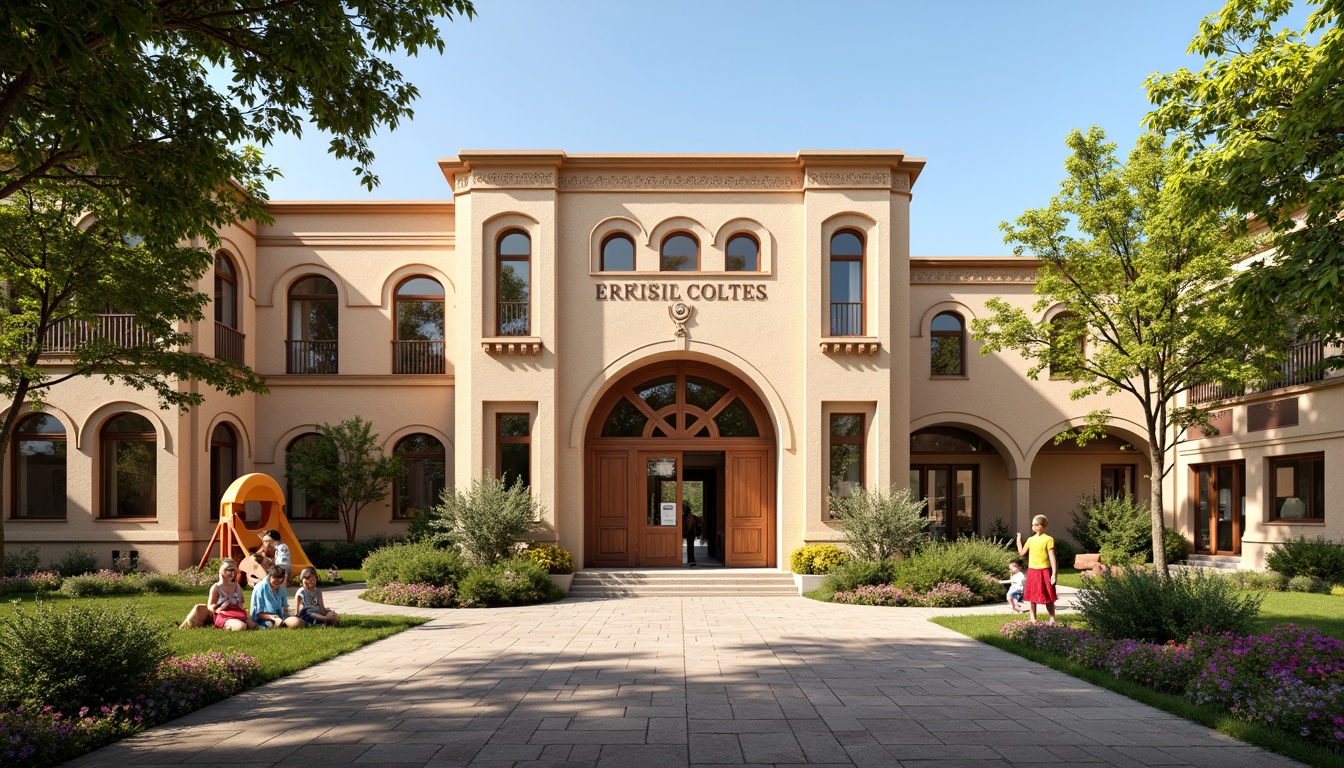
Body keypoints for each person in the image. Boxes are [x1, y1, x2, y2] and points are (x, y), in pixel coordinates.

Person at [1016, 515, 1058, 624]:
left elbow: (1052, 557)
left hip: (1045, 571)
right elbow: (1021, 553)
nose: (1032, 526)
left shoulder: (1049, 539)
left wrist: (1053, 574)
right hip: (1033, 571)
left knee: (1048, 596)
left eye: (1034, 524)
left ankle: (1052, 618)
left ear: (1040, 526)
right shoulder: (1030, 540)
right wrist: (1018, 540)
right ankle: (1033, 619)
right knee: (1032, 597)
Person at [682, 503, 701, 567]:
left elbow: (688, 526)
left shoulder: (685, 516)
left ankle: (691, 560)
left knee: (690, 547)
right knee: (690, 546)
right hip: (692, 533)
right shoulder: (692, 516)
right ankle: (691, 559)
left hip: (689, 533)